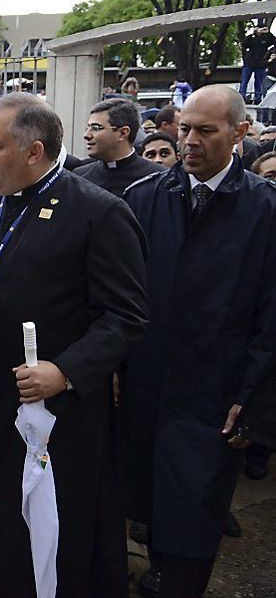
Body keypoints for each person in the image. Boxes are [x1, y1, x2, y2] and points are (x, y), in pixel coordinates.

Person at [0, 92, 148, 597]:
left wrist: (65, 370)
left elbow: (125, 316)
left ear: (33, 151)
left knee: (49, 530)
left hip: (57, 407)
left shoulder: (99, 213)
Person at [121, 85, 276, 598]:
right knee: (145, 508)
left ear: (239, 133)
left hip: (216, 397)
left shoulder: (265, 211)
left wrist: (253, 403)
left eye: (205, 131)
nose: (188, 141)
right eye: (184, 128)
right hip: (145, 389)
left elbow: (271, 319)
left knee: (194, 519)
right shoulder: (144, 199)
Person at [76, 98, 165, 197]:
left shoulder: (157, 178)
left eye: (95, 128)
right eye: (88, 128)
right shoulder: (80, 176)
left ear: (123, 133)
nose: (87, 135)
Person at [240, 25, 275, 104]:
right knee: (244, 81)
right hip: (248, 63)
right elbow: (244, 44)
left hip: (260, 64)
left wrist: (268, 33)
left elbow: (274, 41)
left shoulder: (266, 38)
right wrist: (253, 33)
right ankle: (242, 97)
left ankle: (258, 99)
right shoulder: (251, 38)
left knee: (259, 83)